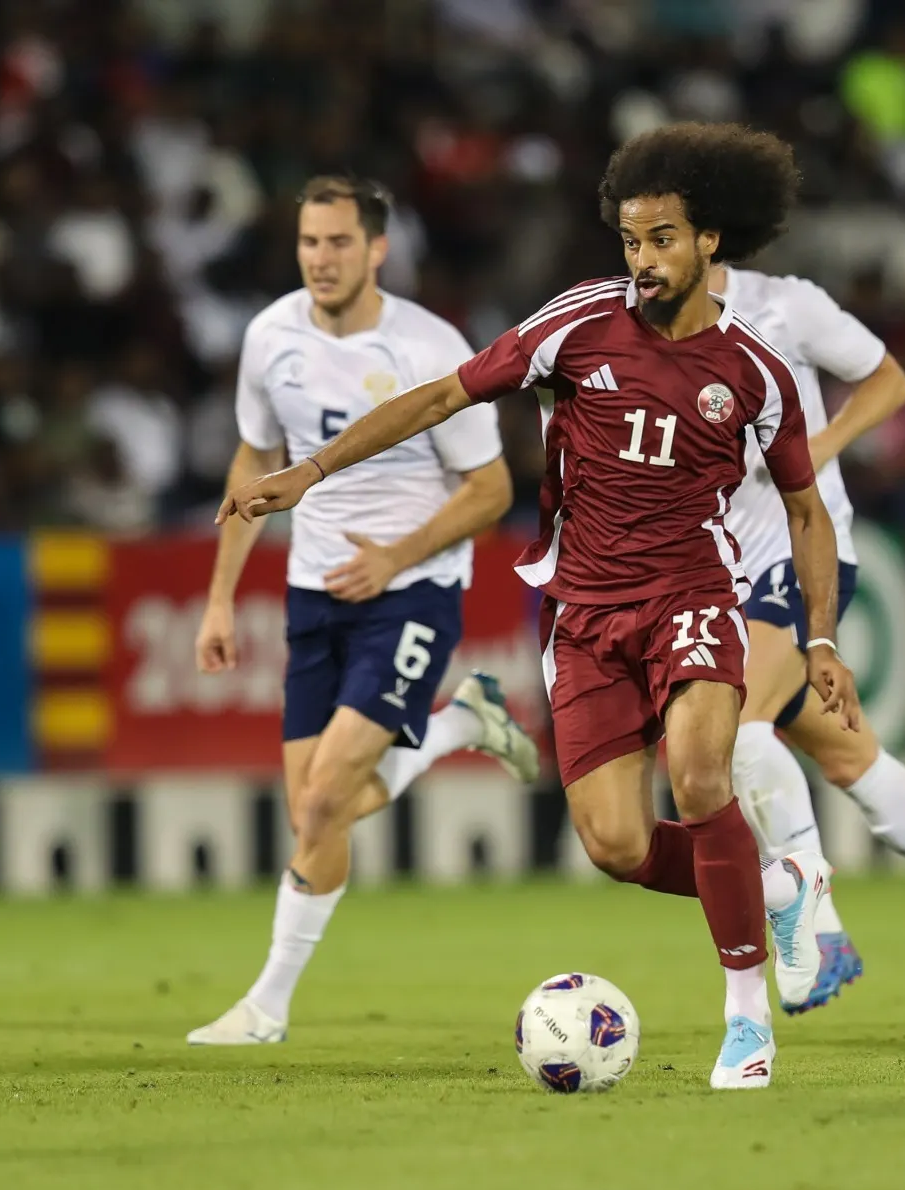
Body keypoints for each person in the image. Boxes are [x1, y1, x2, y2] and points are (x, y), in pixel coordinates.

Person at [217, 124, 861, 1090]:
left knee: (698, 776)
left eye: (663, 240)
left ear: (709, 243)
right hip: (586, 612)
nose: (643, 261)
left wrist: (817, 635)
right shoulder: (578, 326)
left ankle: (744, 1021)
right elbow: (440, 399)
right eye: (632, 241)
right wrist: (308, 470)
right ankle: (777, 883)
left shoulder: (755, 372)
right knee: (613, 844)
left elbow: (808, 511)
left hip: (691, 596)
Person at [186, 175, 539, 1047]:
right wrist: (221, 597)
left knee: (326, 798)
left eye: (340, 243)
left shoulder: (429, 347)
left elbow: (492, 489)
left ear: (377, 248)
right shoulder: (270, 337)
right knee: (314, 807)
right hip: (314, 591)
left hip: (411, 591)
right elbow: (254, 467)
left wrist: (395, 556)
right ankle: (462, 725)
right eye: (310, 243)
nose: (322, 259)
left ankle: (266, 1008)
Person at [714, 263, 905, 1012]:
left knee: (741, 729)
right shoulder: (651, 327)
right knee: (849, 757)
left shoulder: (784, 304)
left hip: (805, 555)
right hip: (718, 574)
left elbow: (889, 380)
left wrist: (821, 447)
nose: (646, 258)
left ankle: (819, 929)